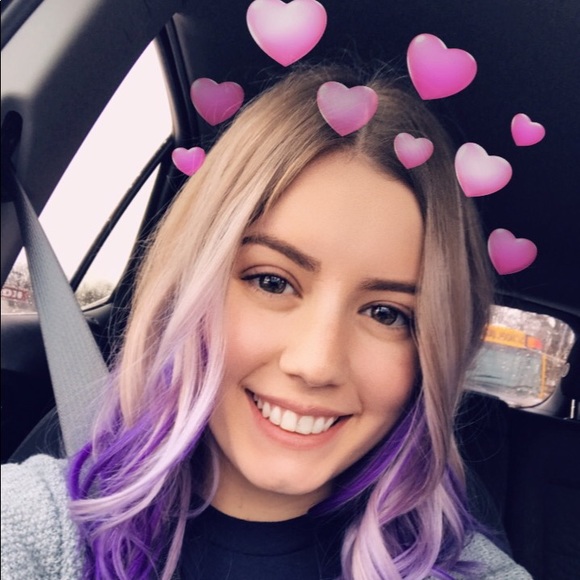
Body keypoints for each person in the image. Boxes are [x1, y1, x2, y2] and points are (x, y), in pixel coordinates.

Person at [1, 65, 533, 580]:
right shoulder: (39, 524)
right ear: (190, 287)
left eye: (386, 313)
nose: (316, 364)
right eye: (272, 282)